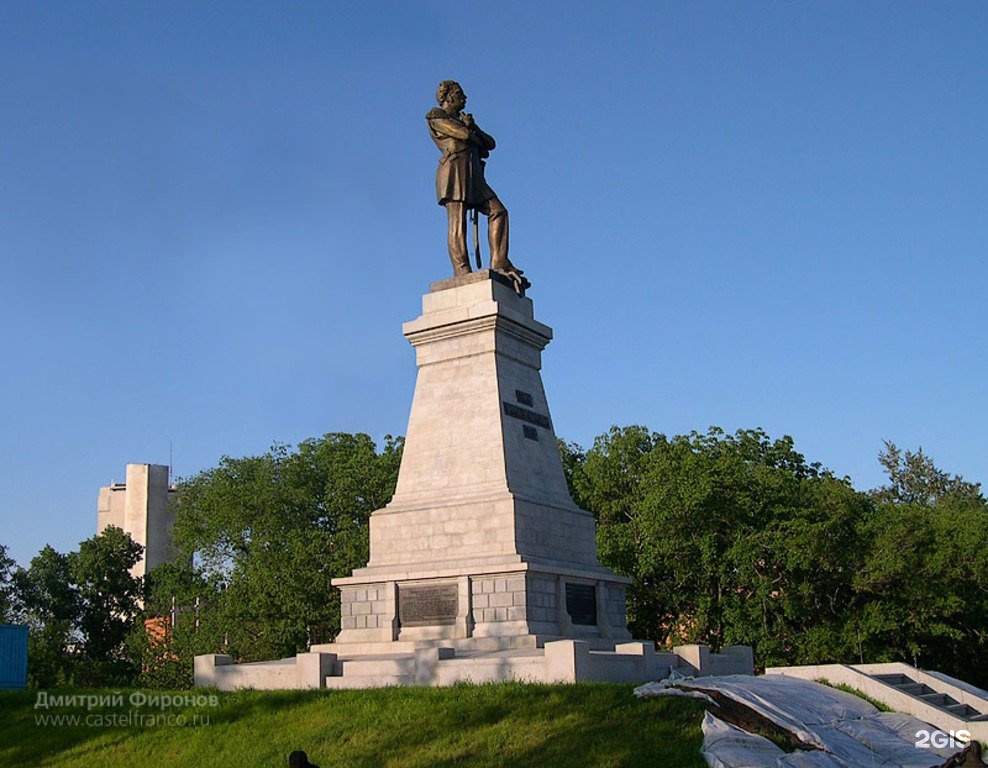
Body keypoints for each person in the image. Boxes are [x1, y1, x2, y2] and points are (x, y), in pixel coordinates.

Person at [426, 80, 530, 291]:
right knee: (458, 223)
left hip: (474, 175)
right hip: (453, 171)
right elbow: (461, 134)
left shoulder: (465, 121)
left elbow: (490, 143)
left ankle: (499, 261)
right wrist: (470, 129)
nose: (465, 98)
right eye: (460, 94)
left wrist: (474, 128)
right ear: (449, 97)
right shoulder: (436, 116)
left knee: (498, 211)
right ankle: (462, 270)